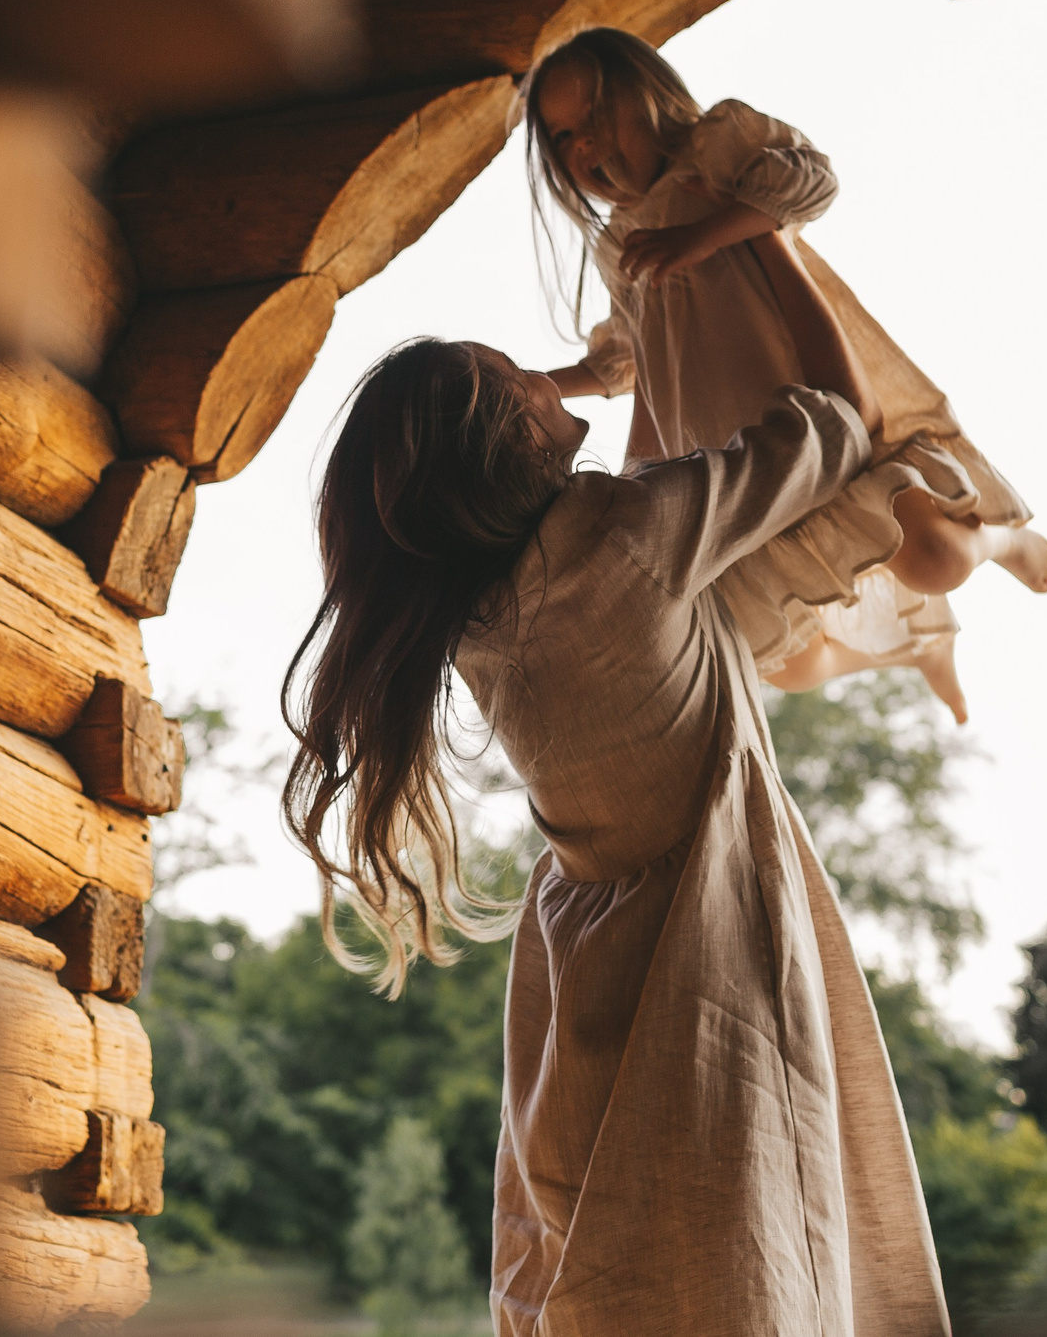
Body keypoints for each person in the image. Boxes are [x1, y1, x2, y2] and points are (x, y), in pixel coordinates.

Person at [282, 230, 950, 1336]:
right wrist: (762, 232)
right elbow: (832, 421)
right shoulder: (627, 535)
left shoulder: (474, 615)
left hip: (582, 972)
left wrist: (589, 374)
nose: (550, 384)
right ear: (507, 436)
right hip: (703, 947)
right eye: (522, 381)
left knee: (627, 1270)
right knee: (749, 1257)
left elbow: (631, 480)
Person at [526, 26, 1047, 722]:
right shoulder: (619, 245)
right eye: (564, 138)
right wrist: (537, 384)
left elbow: (808, 180)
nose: (585, 147)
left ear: (648, 94)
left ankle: (1003, 539)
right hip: (739, 451)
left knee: (933, 558)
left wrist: (699, 235)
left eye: (594, 118)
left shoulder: (717, 148)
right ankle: (913, 648)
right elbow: (626, 358)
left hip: (810, 390)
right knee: (786, 660)